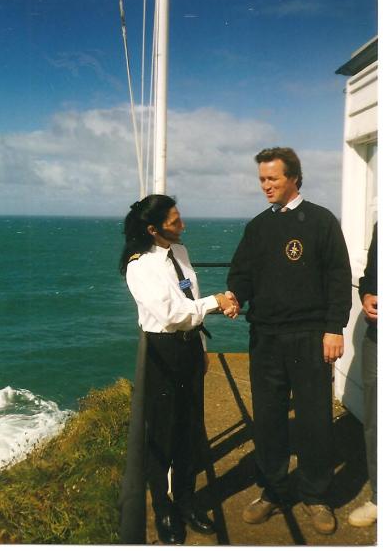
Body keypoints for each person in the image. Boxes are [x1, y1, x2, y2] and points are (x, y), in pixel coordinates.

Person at [227, 147, 352, 535]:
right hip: (265, 337)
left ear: (294, 177)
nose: (265, 186)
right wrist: (234, 295)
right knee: (268, 419)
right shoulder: (258, 227)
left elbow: (337, 277)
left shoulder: (320, 222)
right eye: (262, 179)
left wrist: (334, 328)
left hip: (310, 337)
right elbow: (242, 273)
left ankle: (316, 496)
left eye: (272, 179)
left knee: (314, 418)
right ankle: (273, 491)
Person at [120, 194, 238, 545]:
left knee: (189, 430)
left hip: (188, 349)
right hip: (163, 352)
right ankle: (163, 509)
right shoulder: (139, 266)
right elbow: (170, 314)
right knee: (163, 435)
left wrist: (202, 349)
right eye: (175, 221)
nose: (182, 224)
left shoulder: (181, 254)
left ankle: (186, 501)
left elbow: (189, 306)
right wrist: (215, 302)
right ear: (153, 229)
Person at [348, 223, 377, 527]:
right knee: (375, 421)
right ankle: (379, 498)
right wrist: (367, 294)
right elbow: (370, 274)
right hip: (376, 338)